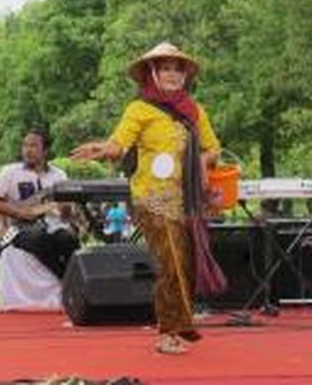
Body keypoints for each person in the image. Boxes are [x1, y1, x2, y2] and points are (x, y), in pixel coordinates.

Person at [72, 42, 225, 354]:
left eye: (177, 68)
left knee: (185, 262)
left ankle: (177, 323)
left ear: (185, 75)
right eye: (164, 68)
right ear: (152, 73)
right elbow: (119, 143)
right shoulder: (138, 109)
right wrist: (102, 149)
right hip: (151, 198)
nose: (171, 74)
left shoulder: (194, 111)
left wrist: (199, 162)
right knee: (171, 261)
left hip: (186, 199)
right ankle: (170, 330)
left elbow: (214, 149)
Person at [0, 128, 79, 307]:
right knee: (39, 237)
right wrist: (19, 213)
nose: (28, 150)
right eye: (25, 145)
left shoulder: (59, 176)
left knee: (69, 240)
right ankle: (67, 280)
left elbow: (66, 214)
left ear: (46, 150)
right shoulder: (10, 172)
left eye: (34, 145)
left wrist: (66, 209)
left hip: (49, 225)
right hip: (16, 229)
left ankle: (75, 283)